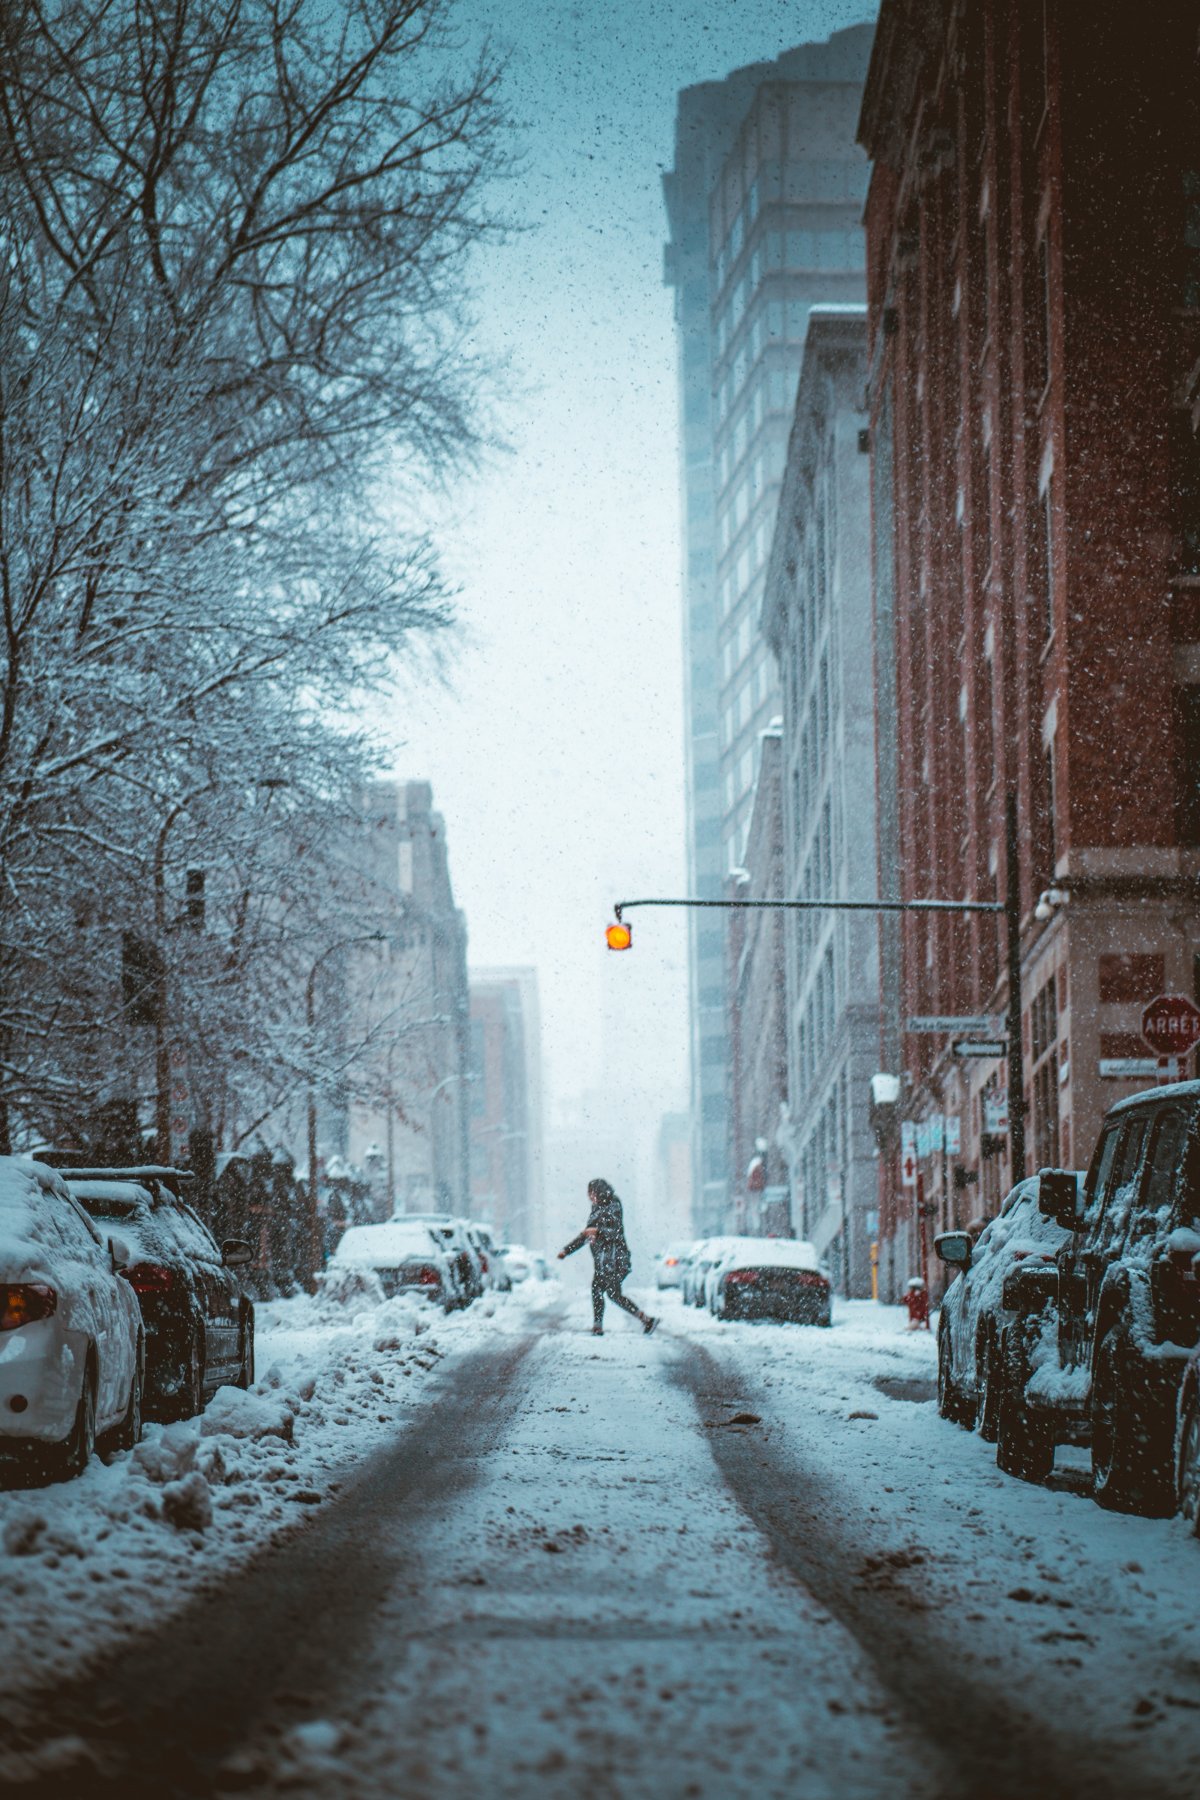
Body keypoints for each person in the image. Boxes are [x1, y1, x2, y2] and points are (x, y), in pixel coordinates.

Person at [558, 1177, 658, 1336]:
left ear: (598, 1192)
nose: (589, 1196)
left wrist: (598, 1232)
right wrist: (567, 1250)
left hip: (615, 1259)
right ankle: (646, 1320)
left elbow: (615, 1231)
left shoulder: (613, 1205)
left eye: (591, 1192)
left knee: (599, 1289)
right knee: (613, 1294)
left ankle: (598, 1327)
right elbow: (586, 1235)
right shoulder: (596, 1210)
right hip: (604, 1260)